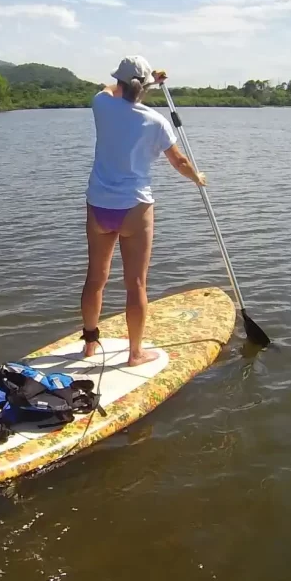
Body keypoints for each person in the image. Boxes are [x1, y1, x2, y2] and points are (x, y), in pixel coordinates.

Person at [81, 56, 207, 367]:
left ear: (121, 82)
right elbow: (179, 162)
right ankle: (135, 354)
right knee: (135, 282)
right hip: (134, 208)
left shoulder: (101, 104)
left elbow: (109, 90)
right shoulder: (156, 121)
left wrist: (148, 81)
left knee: (95, 277)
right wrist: (198, 178)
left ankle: (89, 343)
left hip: (99, 206)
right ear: (145, 87)